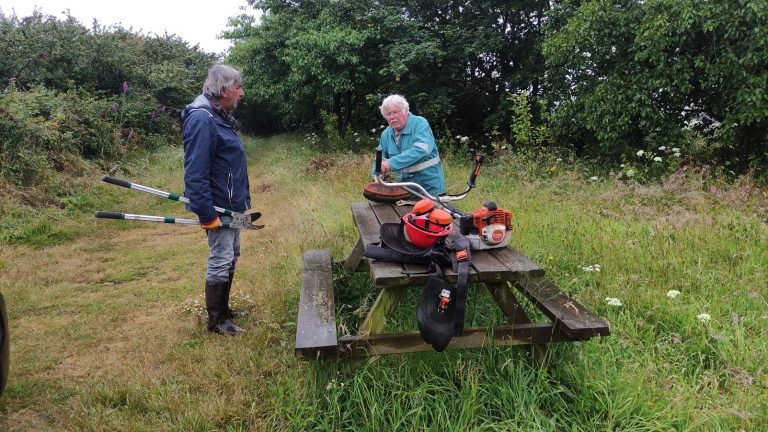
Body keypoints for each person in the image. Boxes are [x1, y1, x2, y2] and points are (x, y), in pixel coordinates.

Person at [182, 64, 250, 336]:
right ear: (223, 90)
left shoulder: (217, 115)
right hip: (217, 204)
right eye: (237, 87)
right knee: (221, 257)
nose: (241, 93)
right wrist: (206, 213)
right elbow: (196, 172)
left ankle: (225, 310)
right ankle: (218, 321)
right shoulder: (202, 119)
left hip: (231, 203)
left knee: (232, 253)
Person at [372, 95, 446, 196]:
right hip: (405, 190)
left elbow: (421, 151)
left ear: (406, 111)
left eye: (395, 112)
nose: (392, 117)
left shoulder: (420, 124)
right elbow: (380, 160)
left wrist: (390, 163)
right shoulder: (386, 134)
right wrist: (376, 176)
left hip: (429, 188)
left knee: (435, 212)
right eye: (388, 114)